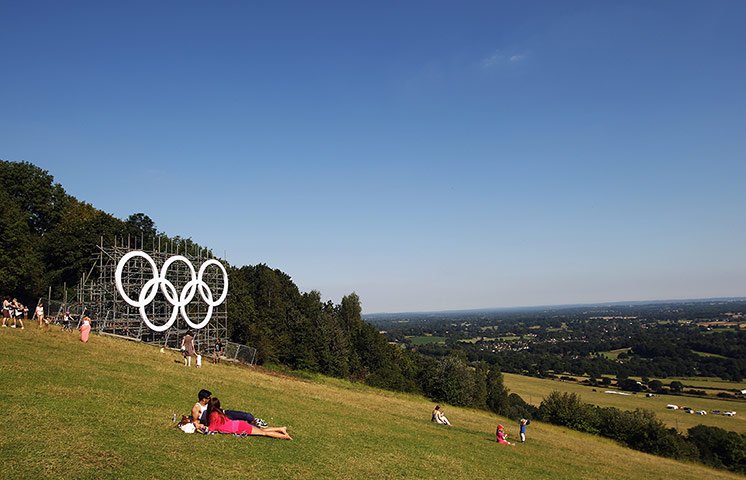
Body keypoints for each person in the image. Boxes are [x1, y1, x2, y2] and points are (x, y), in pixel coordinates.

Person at [203, 397, 292, 439]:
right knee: (262, 430)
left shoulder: (213, 415)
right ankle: (281, 429)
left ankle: (285, 436)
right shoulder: (220, 413)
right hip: (239, 424)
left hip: (239, 427)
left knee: (263, 433)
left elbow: (211, 428)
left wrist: (201, 427)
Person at [191, 389, 265, 429]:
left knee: (248, 416)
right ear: (203, 399)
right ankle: (259, 428)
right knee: (243, 424)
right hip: (220, 420)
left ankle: (255, 423)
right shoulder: (196, 408)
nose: (210, 399)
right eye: (208, 398)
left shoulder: (209, 403)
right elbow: (195, 421)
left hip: (225, 413)